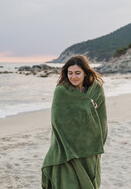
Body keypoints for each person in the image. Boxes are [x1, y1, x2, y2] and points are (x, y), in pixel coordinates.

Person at [41, 54, 107, 189]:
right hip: (67, 148)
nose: (73, 77)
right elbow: (57, 122)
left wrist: (99, 141)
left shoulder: (96, 90)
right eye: (70, 73)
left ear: (85, 73)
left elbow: (102, 118)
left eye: (77, 73)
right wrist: (87, 107)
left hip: (90, 145)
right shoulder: (61, 91)